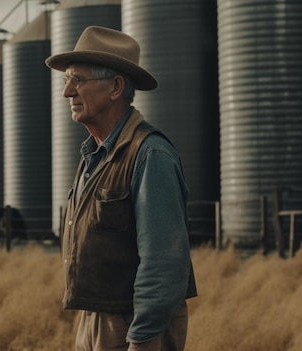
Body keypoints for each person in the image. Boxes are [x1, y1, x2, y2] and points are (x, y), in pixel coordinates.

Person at [45, 26, 197, 351]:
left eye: (78, 80)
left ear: (115, 87)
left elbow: (163, 260)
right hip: (95, 319)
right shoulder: (94, 154)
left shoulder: (150, 154)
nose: (67, 92)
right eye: (65, 80)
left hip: (131, 326)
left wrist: (142, 338)